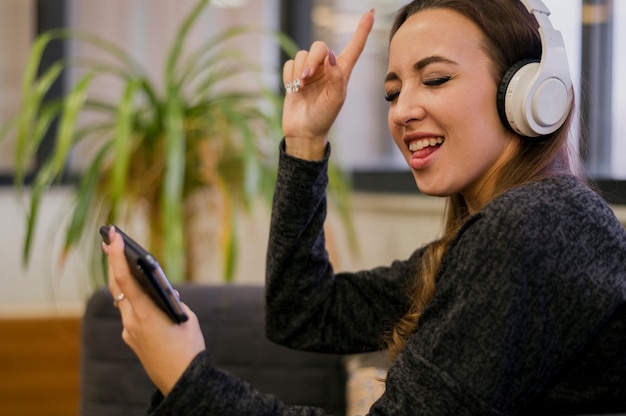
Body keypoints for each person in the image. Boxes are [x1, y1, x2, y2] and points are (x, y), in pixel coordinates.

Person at [102, 0, 626, 414]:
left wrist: (186, 378)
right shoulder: (514, 229)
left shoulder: (534, 229)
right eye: (392, 92)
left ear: (531, 94)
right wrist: (305, 139)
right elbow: (302, 315)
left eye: (436, 78)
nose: (403, 111)